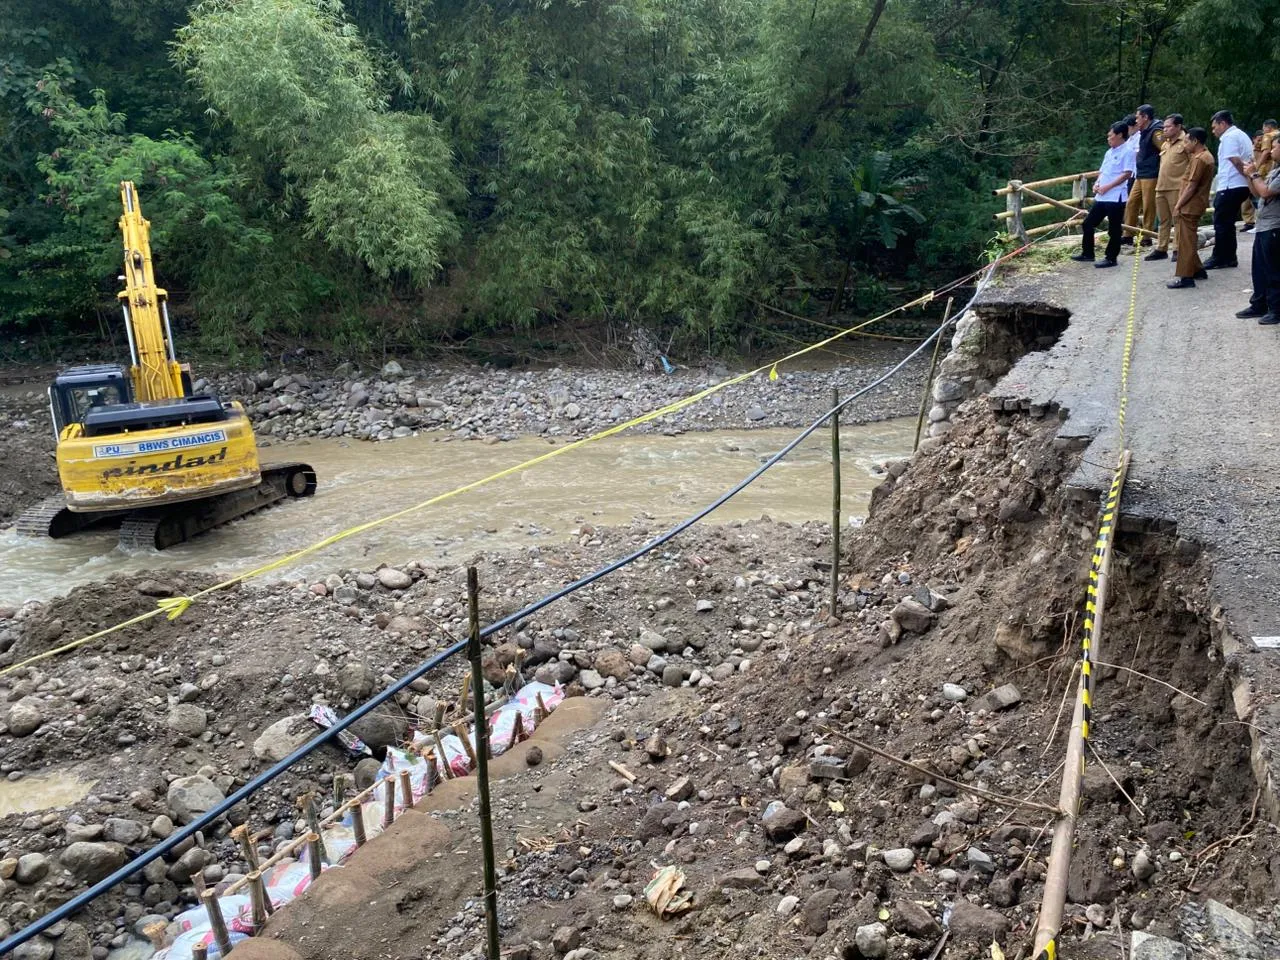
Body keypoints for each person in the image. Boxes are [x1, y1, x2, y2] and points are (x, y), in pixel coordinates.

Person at [1072, 122, 1135, 268]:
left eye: (1110, 135)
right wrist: (1097, 183)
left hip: (1116, 195)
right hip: (1102, 195)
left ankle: (1111, 257)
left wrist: (1109, 186)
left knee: (1114, 228)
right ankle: (1088, 253)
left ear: (1120, 135)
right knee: (1088, 223)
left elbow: (1127, 174)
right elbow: (1103, 171)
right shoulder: (1109, 152)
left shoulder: (1128, 151)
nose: (1108, 138)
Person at [1234, 134, 1280, 323]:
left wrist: (1254, 174)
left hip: (1275, 226)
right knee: (1259, 269)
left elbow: (1266, 192)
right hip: (1263, 225)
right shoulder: (1274, 170)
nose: (1271, 150)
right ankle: (1259, 304)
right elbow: (1257, 193)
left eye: (1275, 147)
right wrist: (1249, 175)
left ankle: (1276, 309)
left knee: (1274, 270)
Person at [1205, 110, 1255, 268]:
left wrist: (1247, 176)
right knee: (1227, 223)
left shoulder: (1229, 137)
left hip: (1231, 185)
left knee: (1221, 223)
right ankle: (1229, 257)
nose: (1214, 131)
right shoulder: (1241, 135)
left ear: (1223, 123)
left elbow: (1236, 160)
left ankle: (1219, 257)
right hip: (1239, 185)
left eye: (1215, 127)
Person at [1167, 127, 1215, 289]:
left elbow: (1192, 185)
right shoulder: (1205, 156)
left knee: (1185, 242)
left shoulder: (1200, 159)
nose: (1185, 144)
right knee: (1189, 239)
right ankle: (1198, 269)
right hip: (1195, 203)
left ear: (1195, 141)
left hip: (1190, 205)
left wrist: (1178, 204)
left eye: (1187, 141)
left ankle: (1185, 276)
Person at [1147, 113, 1189, 261]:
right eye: (1164, 127)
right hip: (1161, 186)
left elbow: (1193, 164)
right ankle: (1161, 247)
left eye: (1168, 126)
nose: (1164, 129)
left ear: (1178, 126)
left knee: (1178, 219)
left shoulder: (1187, 142)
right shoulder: (1165, 144)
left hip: (1177, 186)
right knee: (1163, 220)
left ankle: (1177, 248)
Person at [1124, 105, 1163, 246]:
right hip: (1140, 173)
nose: (1136, 119)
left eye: (1138, 116)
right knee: (1131, 202)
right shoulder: (1144, 130)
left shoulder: (1156, 131)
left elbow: (1164, 149)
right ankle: (1128, 233)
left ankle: (1147, 235)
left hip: (1151, 173)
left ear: (1145, 117)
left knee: (1148, 206)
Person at [1119, 114, 1141, 246]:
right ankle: (1127, 232)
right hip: (1130, 173)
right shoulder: (1130, 139)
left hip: (1136, 173)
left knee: (1133, 204)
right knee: (1129, 204)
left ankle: (1137, 233)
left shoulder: (1140, 137)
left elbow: (1136, 154)